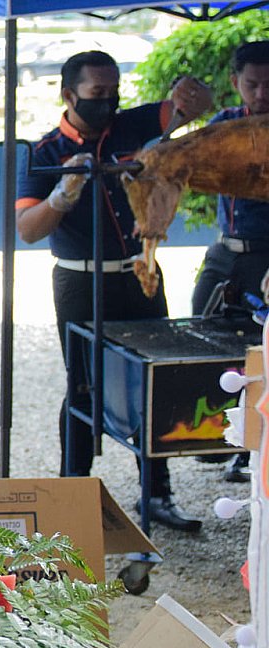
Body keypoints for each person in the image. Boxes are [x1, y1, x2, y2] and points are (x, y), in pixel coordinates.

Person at [16, 50, 212, 530]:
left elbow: (188, 108)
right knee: (83, 384)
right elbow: (27, 228)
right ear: (70, 95)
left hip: (139, 273)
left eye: (114, 91)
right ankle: (71, 492)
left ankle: (157, 493)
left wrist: (192, 96)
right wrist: (62, 196)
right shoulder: (43, 153)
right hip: (79, 281)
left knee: (154, 383)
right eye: (97, 93)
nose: (108, 102)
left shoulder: (132, 126)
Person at [189, 40, 269, 482]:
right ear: (236, 82)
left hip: (267, 254)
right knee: (201, 331)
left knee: (262, 352)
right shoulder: (224, 124)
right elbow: (178, 157)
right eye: (252, 84)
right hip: (225, 251)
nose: (261, 94)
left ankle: (254, 450)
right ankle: (214, 434)